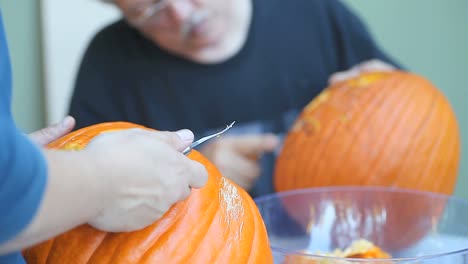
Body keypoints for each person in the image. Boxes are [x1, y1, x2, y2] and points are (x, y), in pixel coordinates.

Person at [68, 0, 400, 197]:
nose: (181, 14)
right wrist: (193, 173)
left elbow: (413, 124)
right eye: (150, 8)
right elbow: (92, 196)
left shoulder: (311, 11)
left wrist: (388, 95)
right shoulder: (109, 62)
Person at [0, 13, 208, 264]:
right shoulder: (110, 55)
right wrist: (107, 179)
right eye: (152, 8)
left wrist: (18, 158)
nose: (179, 12)